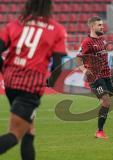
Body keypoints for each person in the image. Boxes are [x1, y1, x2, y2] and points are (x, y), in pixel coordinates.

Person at [0, 0, 67, 159]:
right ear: (49, 7)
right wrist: (51, 82)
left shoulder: (15, 25)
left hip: (10, 83)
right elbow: (57, 66)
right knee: (15, 134)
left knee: (29, 130)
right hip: (30, 87)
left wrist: (3, 67)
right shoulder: (57, 30)